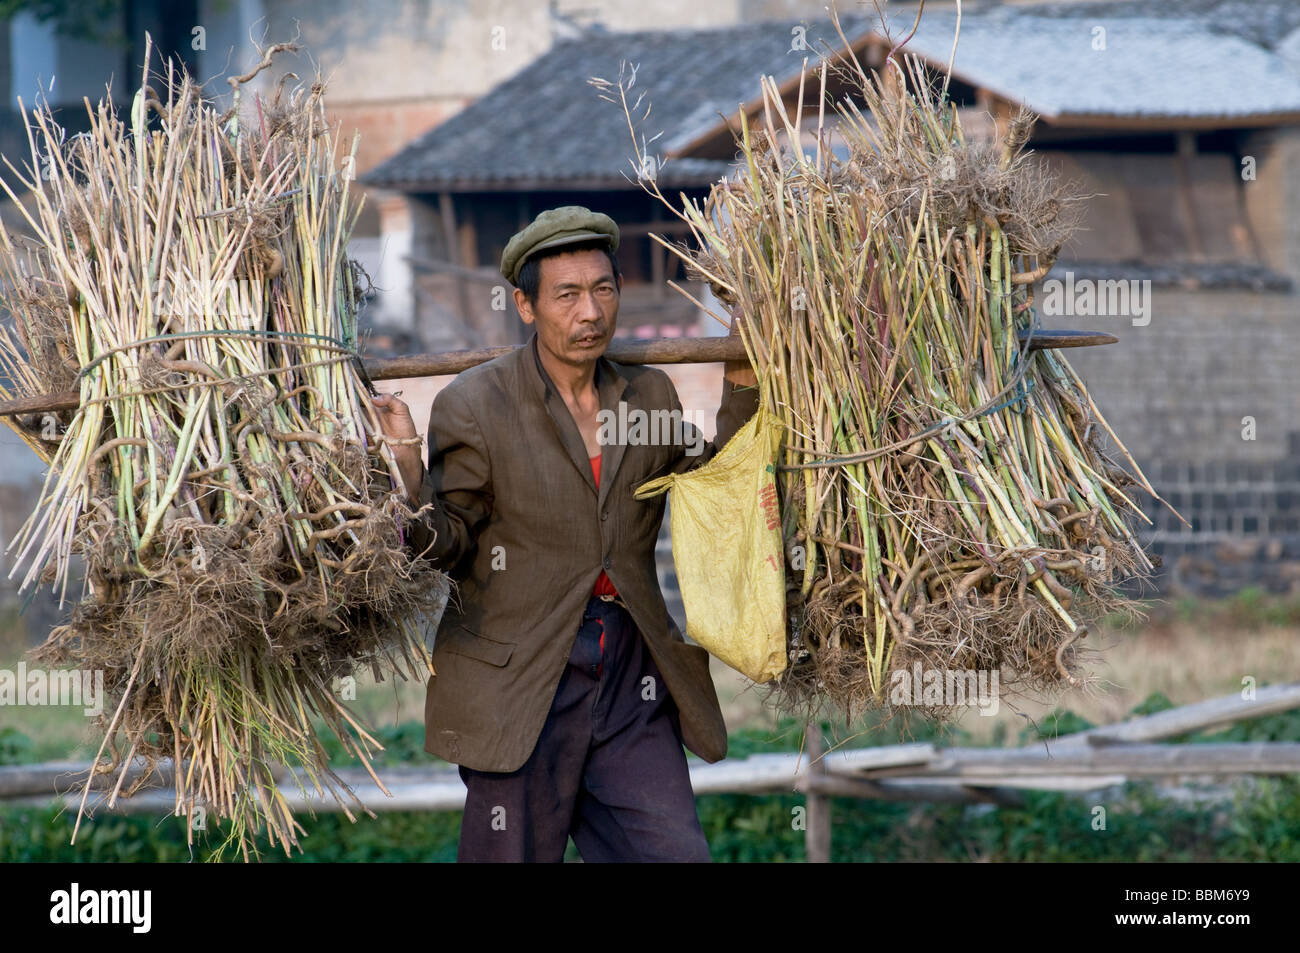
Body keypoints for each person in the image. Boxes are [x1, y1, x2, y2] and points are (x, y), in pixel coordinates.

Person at [371, 205, 758, 862]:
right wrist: (409, 477)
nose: (591, 312)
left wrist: (744, 376)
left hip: (632, 674)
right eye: (568, 295)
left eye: (603, 288)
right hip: (522, 678)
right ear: (525, 305)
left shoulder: (649, 396)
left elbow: (716, 481)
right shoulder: (477, 404)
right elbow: (447, 544)